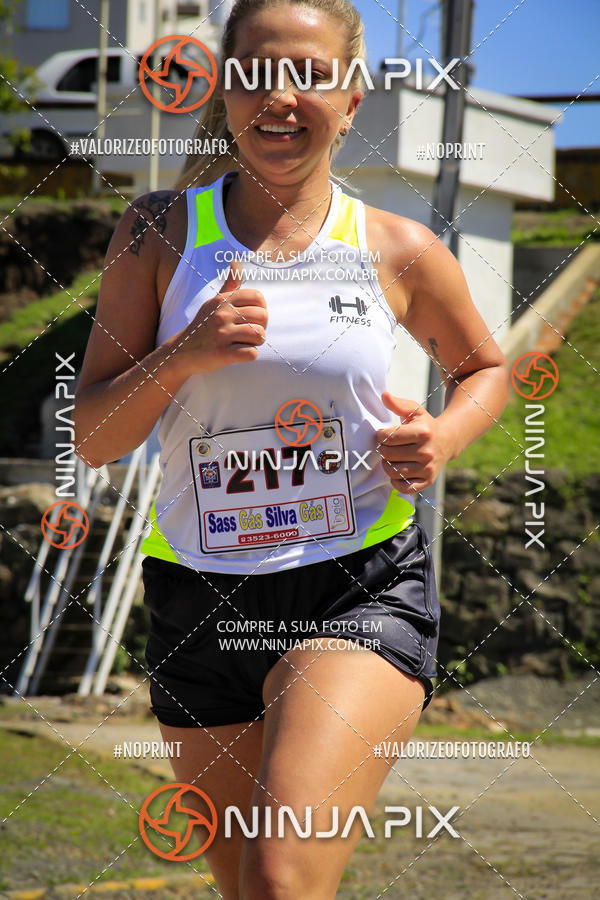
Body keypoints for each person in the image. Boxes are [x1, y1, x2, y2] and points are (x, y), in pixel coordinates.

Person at [74, 0, 508, 896]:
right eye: (257, 72)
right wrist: (184, 353)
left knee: (281, 875)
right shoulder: (156, 232)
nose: (281, 96)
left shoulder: (397, 247)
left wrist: (442, 435)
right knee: (247, 889)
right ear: (225, 92)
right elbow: (97, 437)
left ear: (351, 102)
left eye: (309, 75)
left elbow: (485, 369)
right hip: (199, 591)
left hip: (357, 585)